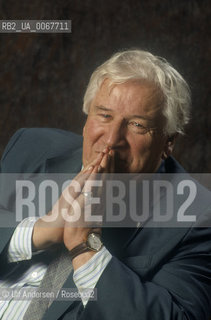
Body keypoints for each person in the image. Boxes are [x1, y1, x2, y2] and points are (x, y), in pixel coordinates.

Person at [0, 49, 210, 320]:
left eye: (137, 125)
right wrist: (38, 232)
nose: (111, 140)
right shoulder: (32, 147)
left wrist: (86, 248)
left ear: (168, 141)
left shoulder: (198, 217)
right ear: (87, 117)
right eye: (104, 115)